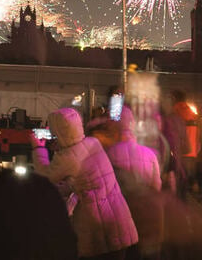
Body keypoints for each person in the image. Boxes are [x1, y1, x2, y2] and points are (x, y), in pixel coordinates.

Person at [32, 107, 138, 260]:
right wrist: (62, 146)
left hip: (97, 227)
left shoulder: (68, 157)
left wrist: (37, 148)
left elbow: (45, 176)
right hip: (118, 217)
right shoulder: (92, 142)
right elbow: (88, 178)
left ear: (60, 132)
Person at [103, 108, 164, 260]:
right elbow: (156, 186)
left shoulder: (109, 153)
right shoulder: (150, 154)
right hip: (146, 212)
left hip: (120, 213)